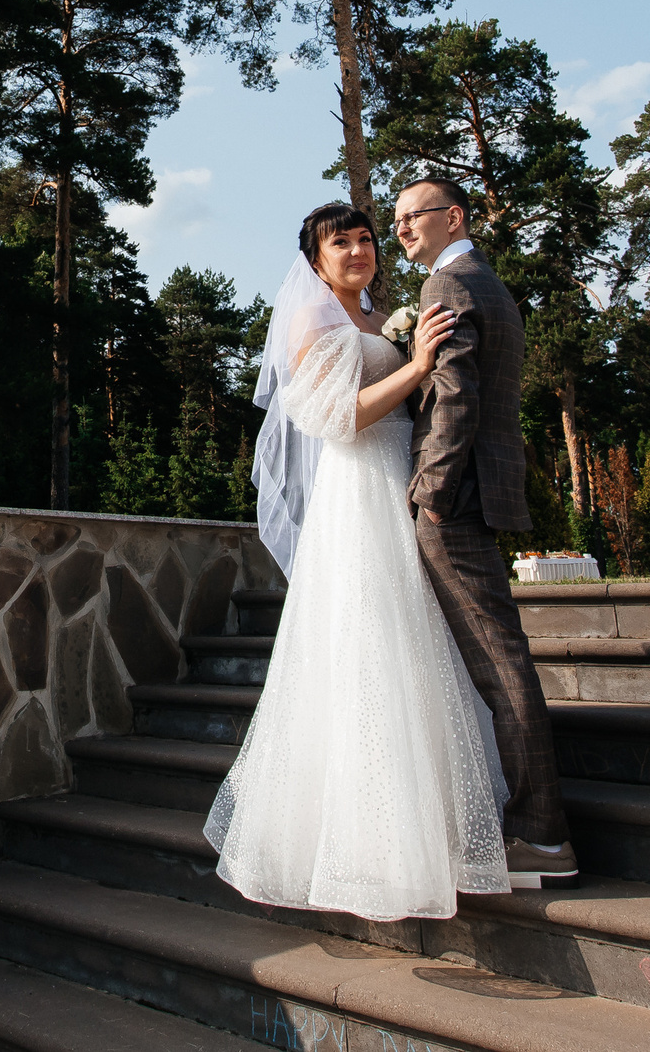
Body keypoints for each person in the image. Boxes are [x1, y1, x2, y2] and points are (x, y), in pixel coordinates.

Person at [202, 202, 510, 918]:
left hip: (403, 476)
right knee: (374, 643)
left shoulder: (376, 316)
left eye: (366, 239)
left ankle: (439, 826)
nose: (358, 251)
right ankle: (377, 851)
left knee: (422, 642)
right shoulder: (311, 320)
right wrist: (418, 364)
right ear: (315, 260)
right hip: (360, 488)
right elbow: (333, 417)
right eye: (340, 242)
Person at [391, 174, 579, 888]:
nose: (402, 228)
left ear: (455, 217)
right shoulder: (485, 281)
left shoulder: (450, 285)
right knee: (500, 659)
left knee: (500, 665)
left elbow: (456, 398)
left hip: (457, 499)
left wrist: (432, 493)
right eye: (397, 219)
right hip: (480, 492)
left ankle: (542, 837)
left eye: (414, 215)